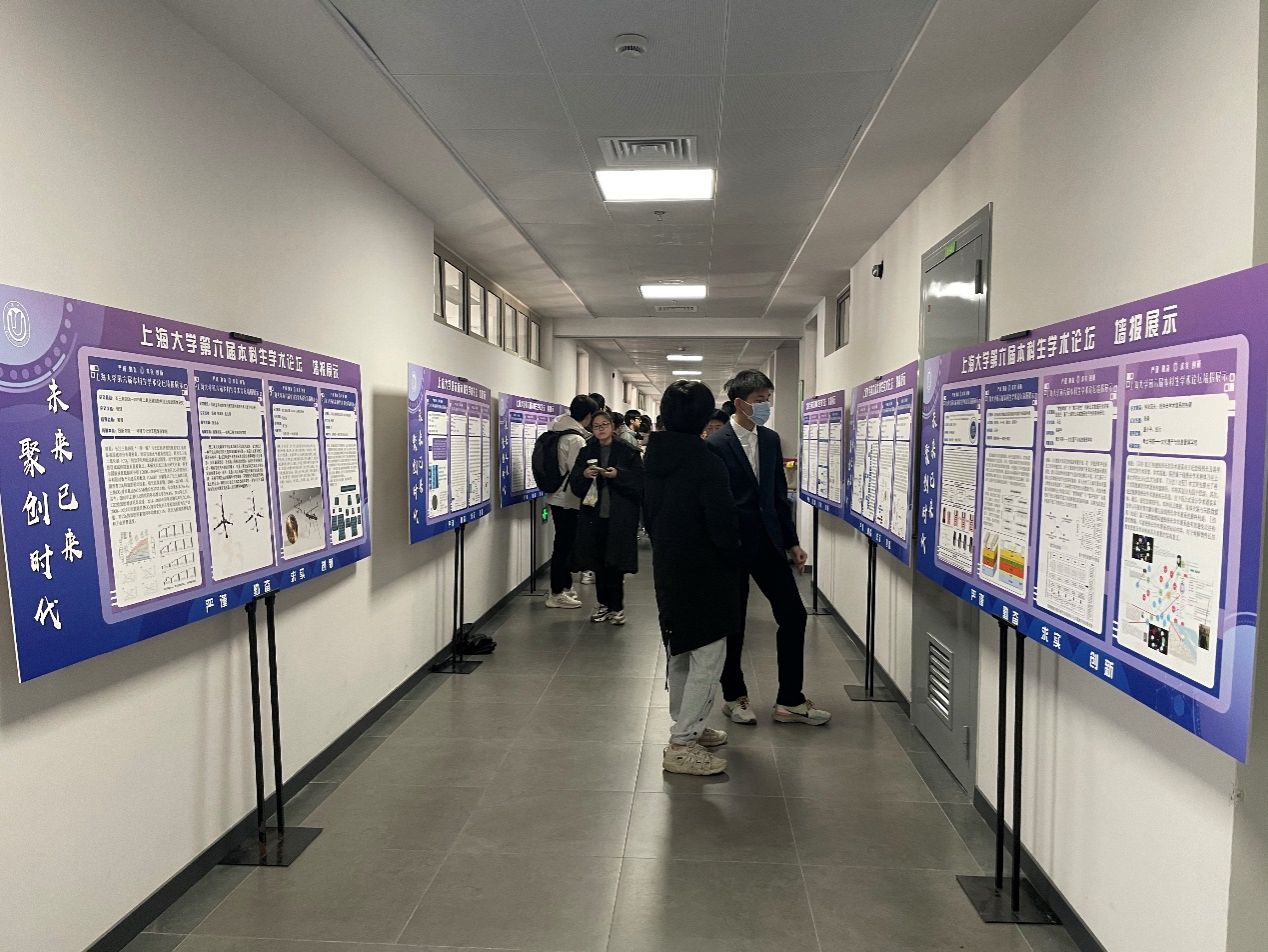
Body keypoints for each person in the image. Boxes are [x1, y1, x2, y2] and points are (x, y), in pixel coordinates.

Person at [706, 369, 831, 726]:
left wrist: (792, 542)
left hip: (768, 544)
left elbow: (777, 496)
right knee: (734, 623)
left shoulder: (771, 440)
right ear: (739, 403)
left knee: (793, 615)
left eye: (767, 399)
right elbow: (714, 503)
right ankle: (734, 696)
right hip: (732, 546)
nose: (766, 406)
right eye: (759, 400)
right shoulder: (716, 444)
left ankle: (790, 700)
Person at [644, 380, 742, 775]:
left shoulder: (653, 457)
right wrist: (735, 557)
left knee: (681, 647)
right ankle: (683, 743)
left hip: (669, 565)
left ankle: (687, 724)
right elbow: (722, 526)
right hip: (706, 570)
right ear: (704, 418)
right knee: (708, 654)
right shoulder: (707, 462)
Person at [568, 410, 644, 625]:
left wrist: (618, 475)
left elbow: (640, 481)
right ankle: (603, 604)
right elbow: (575, 484)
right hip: (594, 515)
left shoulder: (627, 450)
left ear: (612, 427)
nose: (600, 429)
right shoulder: (587, 451)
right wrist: (584, 475)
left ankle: (617, 607)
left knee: (615, 563)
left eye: (604, 425)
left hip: (619, 515)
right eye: (596, 426)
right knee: (598, 562)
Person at [543, 394, 597, 609]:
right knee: (564, 546)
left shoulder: (558, 430)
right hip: (567, 499)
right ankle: (557, 593)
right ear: (589, 415)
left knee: (564, 543)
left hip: (557, 496)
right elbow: (577, 471)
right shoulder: (575, 439)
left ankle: (564, 587)